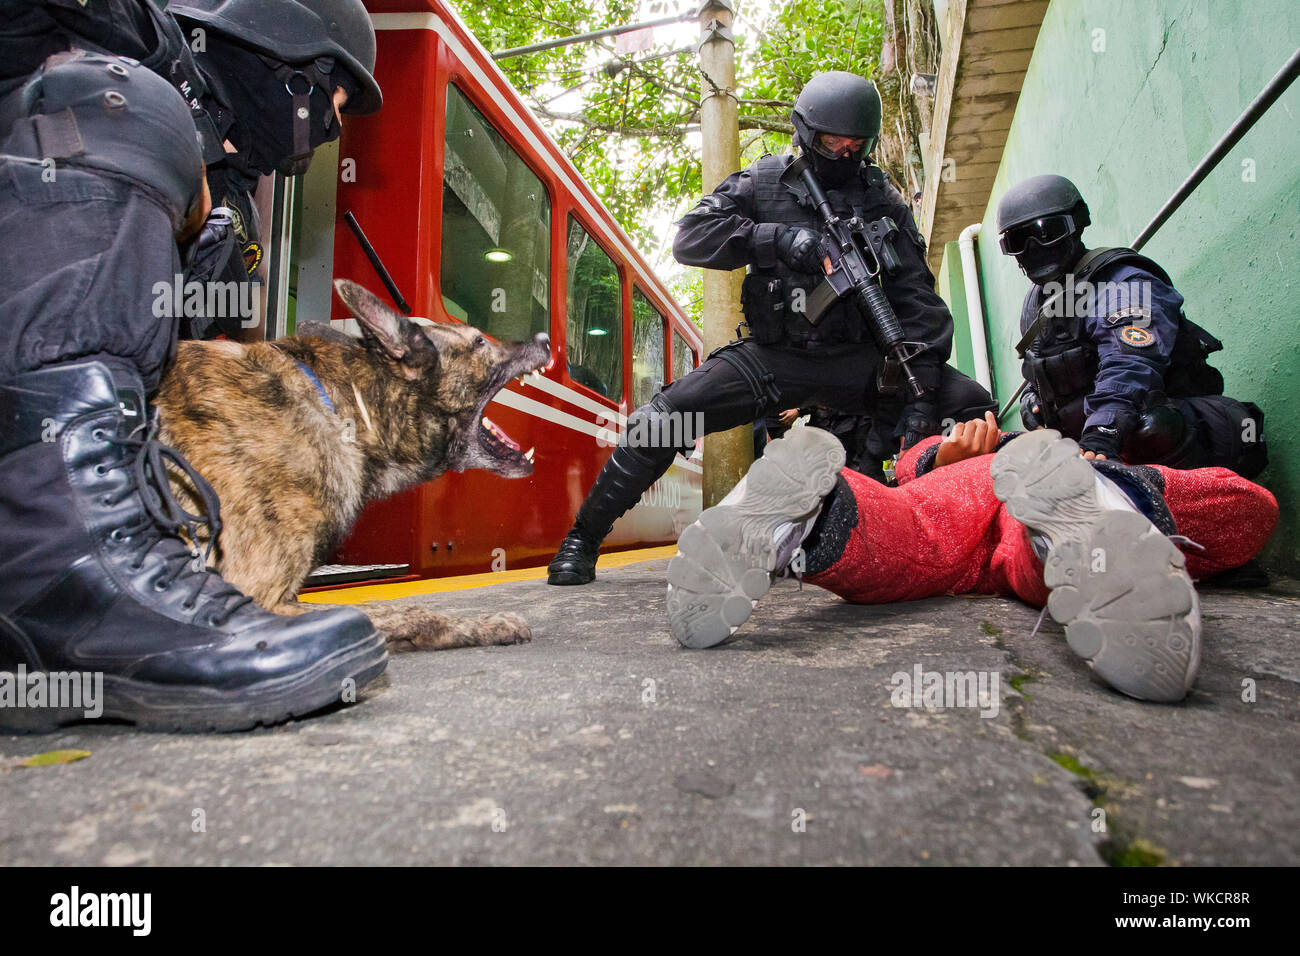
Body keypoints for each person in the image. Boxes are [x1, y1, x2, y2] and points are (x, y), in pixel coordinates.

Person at [0, 1, 386, 733]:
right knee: (123, 103)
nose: (331, 132)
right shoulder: (136, 58)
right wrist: (161, 74)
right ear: (293, 68)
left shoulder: (235, 212)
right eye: (332, 105)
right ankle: (53, 576)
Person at [548, 71, 993, 586]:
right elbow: (690, 238)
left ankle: (961, 536)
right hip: (777, 358)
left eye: (857, 145)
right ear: (806, 134)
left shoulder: (883, 201)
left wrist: (918, 405)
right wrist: (777, 240)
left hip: (862, 362)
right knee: (662, 420)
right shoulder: (763, 182)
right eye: (832, 143)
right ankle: (582, 539)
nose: (844, 154)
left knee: (970, 407)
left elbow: (920, 302)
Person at [664, 416, 1276, 703]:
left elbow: (907, 485)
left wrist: (938, 459)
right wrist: (947, 453)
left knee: (905, 534)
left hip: (981, 517)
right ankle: (1101, 509)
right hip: (998, 488)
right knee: (1243, 508)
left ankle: (799, 521)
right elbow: (911, 464)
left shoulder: (1016, 437)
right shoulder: (954, 438)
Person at [998, 174, 1267, 476]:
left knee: (1150, 429)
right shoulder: (1036, 306)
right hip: (1093, 445)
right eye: (1018, 241)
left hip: (1178, 428)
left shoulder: (1123, 283)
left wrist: (1103, 432)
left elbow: (1130, 364)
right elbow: (1039, 375)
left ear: (1077, 224)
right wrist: (1033, 402)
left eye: (1049, 232)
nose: (1035, 248)